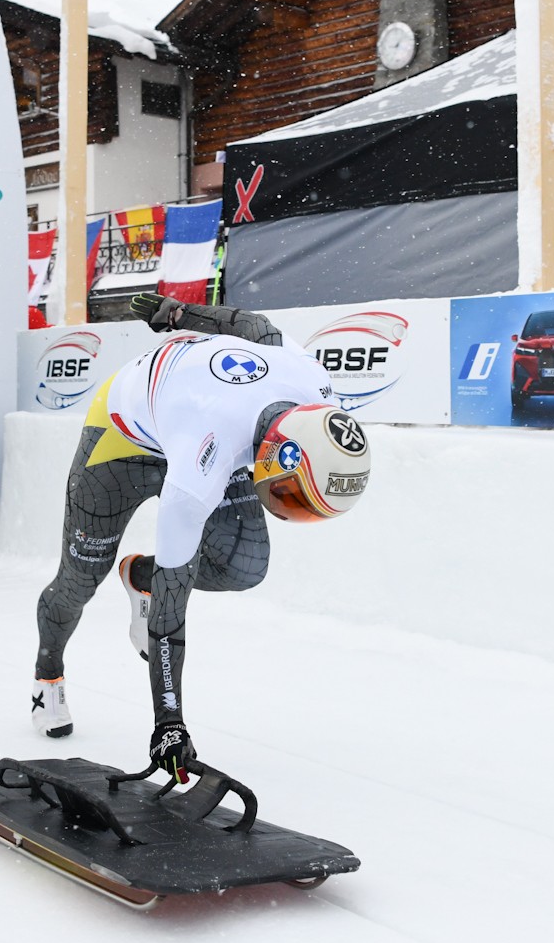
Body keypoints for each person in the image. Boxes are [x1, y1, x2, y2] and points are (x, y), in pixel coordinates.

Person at [29, 296, 372, 783]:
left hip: (204, 418)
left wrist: (177, 314)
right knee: (79, 581)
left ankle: (139, 576)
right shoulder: (200, 463)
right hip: (122, 439)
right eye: (291, 496)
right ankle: (48, 672)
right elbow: (171, 617)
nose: (288, 508)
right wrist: (169, 723)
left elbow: (255, 326)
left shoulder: (312, 384)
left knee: (243, 567)